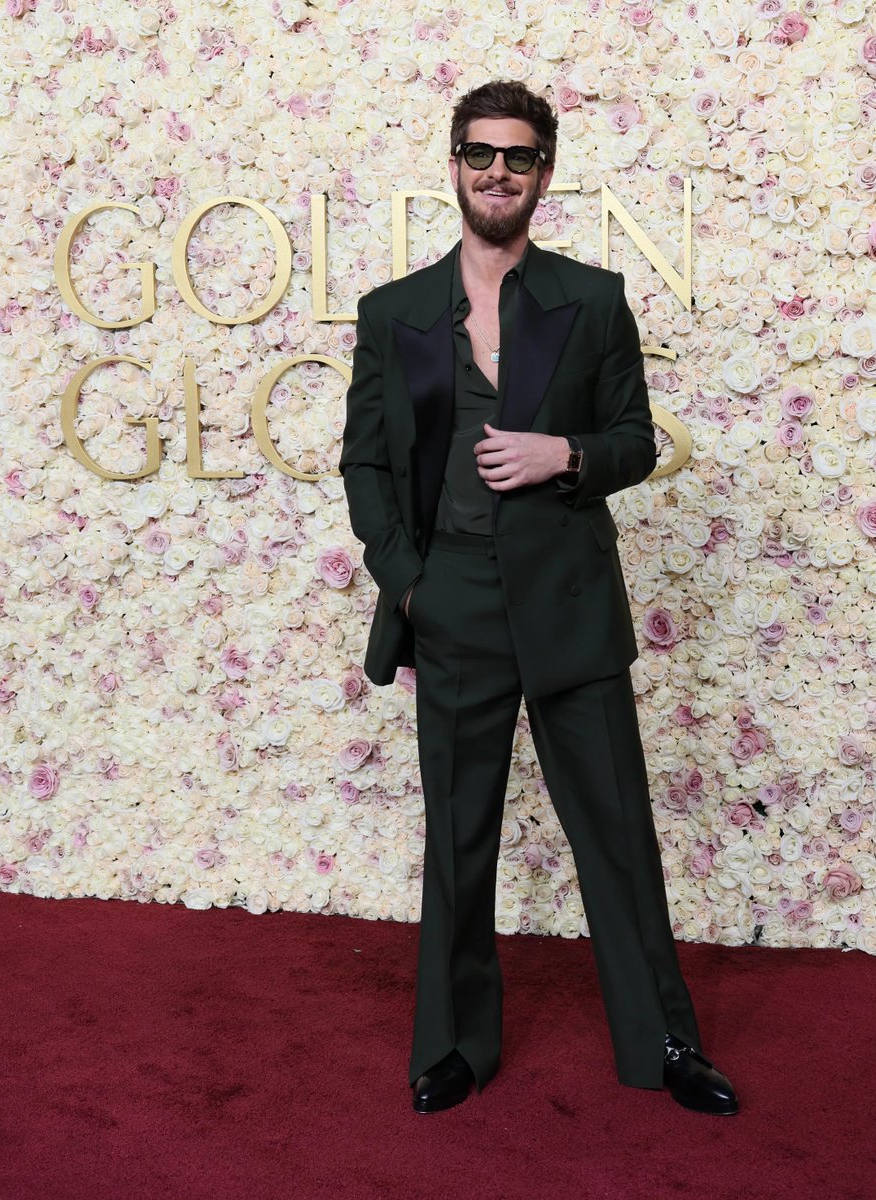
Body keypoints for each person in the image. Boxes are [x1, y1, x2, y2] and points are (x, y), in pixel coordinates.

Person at [339, 80, 738, 1117]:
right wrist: (409, 584)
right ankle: (455, 1046)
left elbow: (637, 443)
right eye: (481, 153)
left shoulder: (593, 298)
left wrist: (568, 452)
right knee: (458, 835)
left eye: (518, 157)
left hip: (569, 602)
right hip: (454, 605)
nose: (497, 173)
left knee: (616, 829)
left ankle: (665, 1044)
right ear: (455, 163)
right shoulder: (395, 314)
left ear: (545, 173)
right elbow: (365, 467)